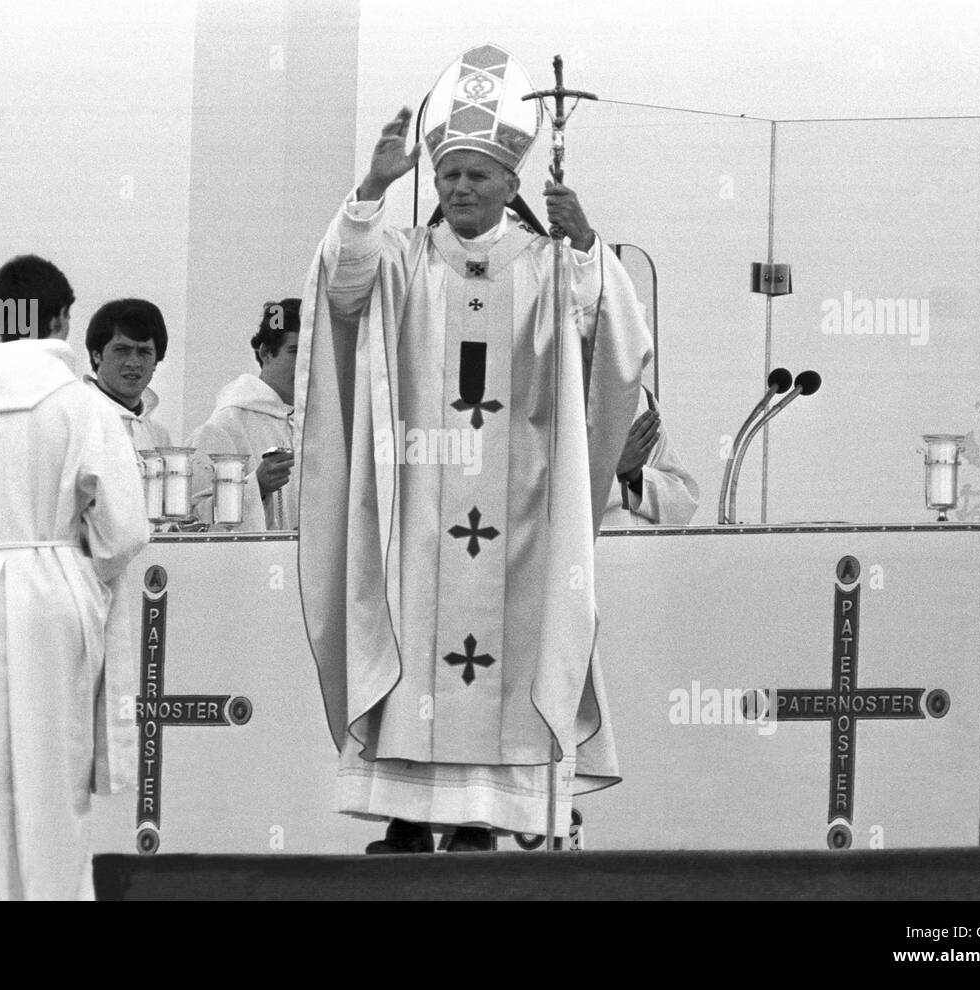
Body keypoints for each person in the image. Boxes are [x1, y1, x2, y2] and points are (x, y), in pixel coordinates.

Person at [297, 44, 651, 853]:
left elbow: (614, 345)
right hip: (419, 500)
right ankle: (410, 815)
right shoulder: (402, 260)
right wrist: (369, 192)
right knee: (414, 633)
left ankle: (486, 819)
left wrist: (590, 244)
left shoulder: (547, 266)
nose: (460, 188)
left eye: (478, 177)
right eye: (449, 175)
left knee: (514, 647)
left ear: (511, 185)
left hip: (520, 504)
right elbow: (340, 289)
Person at [0, 255, 149, 899]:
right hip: (57, 589)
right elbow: (123, 530)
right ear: (64, 319)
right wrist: (81, 572)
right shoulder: (84, 407)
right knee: (51, 769)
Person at [187, 299, 299, 531]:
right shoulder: (225, 426)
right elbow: (195, 521)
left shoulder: (312, 425)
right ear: (266, 353)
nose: (305, 365)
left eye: (312, 354)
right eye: (295, 351)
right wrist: (258, 485)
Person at [601, 385, 699, 527]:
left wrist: (636, 478)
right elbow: (562, 500)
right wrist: (614, 469)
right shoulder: (564, 393)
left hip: (647, 547)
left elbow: (683, 505)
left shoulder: (642, 398)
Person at [84, 298, 172, 453]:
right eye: (122, 350)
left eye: (144, 352)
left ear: (156, 362)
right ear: (97, 355)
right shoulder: (75, 422)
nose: (133, 363)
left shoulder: (158, 436)